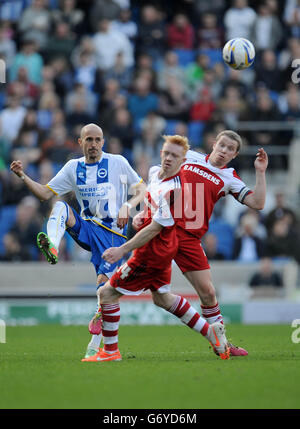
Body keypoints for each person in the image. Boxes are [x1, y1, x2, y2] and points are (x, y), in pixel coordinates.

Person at [82, 134, 230, 362]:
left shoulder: (175, 189)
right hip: (163, 247)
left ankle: (110, 352)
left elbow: (155, 228)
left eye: (175, 156)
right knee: (162, 298)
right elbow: (152, 209)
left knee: (107, 293)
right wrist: (142, 214)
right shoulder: (154, 172)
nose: (169, 158)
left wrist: (122, 250)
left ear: (183, 162)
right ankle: (210, 331)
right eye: (166, 153)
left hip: (153, 251)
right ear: (161, 153)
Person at [10, 123, 146, 358]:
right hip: (87, 228)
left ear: (103, 142)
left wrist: (128, 205)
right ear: (80, 142)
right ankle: (52, 246)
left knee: (104, 287)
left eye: (97, 139)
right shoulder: (73, 167)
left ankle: (94, 346)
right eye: (89, 140)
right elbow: (44, 193)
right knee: (60, 206)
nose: (93, 144)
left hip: (113, 235)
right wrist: (23, 175)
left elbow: (143, 189)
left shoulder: (118, 162)